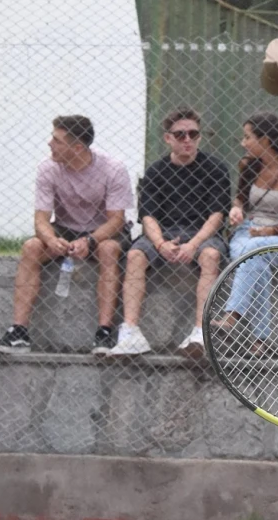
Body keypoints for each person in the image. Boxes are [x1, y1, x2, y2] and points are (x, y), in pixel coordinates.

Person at [0, 115, 132, 355]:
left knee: (108, 250)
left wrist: (90, 240)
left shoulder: (112, 168)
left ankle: (104, 333)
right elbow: (41, 219)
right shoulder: (48, 167)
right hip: (65, 227)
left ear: (77, 147)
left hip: (103, 231)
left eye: (56, 140)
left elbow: (116, 219)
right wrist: (51, 239)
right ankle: (18, 333)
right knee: (31, 247)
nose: (49, 144)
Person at [110, 107, 231, 357]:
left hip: (201, 234)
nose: (187, 140)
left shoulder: (216, 169)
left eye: (193, 134)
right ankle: (131, 332)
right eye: (180, 135)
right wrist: (161, 244)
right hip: (164, 233)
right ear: (168, 138)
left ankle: (200, 333)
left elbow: (217, 216)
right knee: (135, 256)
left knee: (210, 256)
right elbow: (148, 216)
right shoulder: (156, 172)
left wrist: (193, 245)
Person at [208, 112, 278, 355]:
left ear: (265, 139)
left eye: (247, 137)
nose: (243, 143)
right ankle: (260, 340)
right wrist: (236, 209)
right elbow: (241, 200)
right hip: (246, 232)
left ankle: (232, 314)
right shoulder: (248, 164)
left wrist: (269, 230)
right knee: (257, 259)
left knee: (254, 252)